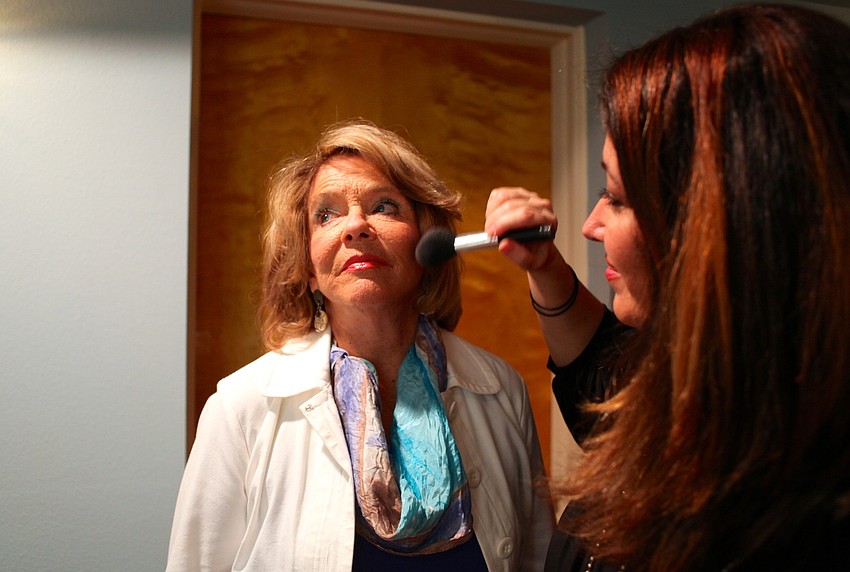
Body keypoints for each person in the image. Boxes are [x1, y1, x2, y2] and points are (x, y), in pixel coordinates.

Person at [484, 4, 850, 571]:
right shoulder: (693, 398)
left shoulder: (793, 520)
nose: (589, 225)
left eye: (618, 197)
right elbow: (599, 383)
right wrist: (544, 267)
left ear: (723, 224)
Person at [166, 119, 554, 571]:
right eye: (325, 215)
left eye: (384, 206)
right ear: (309, 265)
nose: (355, 226)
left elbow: (539, 558)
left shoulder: (501, 389)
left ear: (429, 243)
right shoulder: (242, 407)